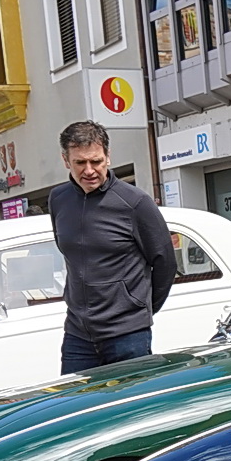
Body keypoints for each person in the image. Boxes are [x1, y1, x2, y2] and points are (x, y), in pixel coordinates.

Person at [48, 120, 176, 374]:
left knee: (131, 411)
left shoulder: (135, 202)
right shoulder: (58, 200)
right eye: (80, 163)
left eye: (96, 161)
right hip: (78, 335)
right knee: (77, 409)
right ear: (65, 160)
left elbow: (165, 263)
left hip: (127, 336)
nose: (89, 170)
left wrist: (137, 309)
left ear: (107, 157)